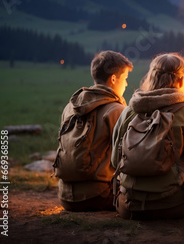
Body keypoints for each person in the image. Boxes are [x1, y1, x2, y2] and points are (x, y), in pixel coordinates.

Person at [112, 53, 184, 220]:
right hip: (173, 205)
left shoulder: (129, 111)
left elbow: (114, 160)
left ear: (151, 77)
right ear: (181, 81)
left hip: (129, 206)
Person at [56, 50, 133, 211]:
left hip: (64, 197)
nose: (126, 84)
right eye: (125, 78)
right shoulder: (116, 110)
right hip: (98, 196)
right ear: (113, 79)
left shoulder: (71, 106)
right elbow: (129, 156)